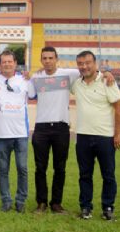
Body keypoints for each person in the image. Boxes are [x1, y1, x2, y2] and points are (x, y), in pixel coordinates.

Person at [28, 46, 114, 214]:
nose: (47, 61)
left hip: (61, 127)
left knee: (60, 167)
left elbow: (88, 70)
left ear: (56, 59)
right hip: (41, 128)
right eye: (44, 58)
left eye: (50, 58)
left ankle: (56, 203)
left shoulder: (69, 74)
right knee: (40, 167)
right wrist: (26, 76)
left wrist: (106, 72)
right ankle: (41, 203)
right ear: (41, 60)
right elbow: (30, 94)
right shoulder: (36, 77)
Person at [71, 51, 120, 221]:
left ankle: (108, 207)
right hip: (83, 137)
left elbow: (119, 107)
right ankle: (86, 207)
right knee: (84, 174)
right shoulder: (76, 83)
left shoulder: (107, 81)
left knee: (108, 174)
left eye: (87, 63)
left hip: (105, 137)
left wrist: (118, 134)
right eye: (80, 63)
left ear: (95, 63)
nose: (84, 66)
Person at [0, 50, 29, 213]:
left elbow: (36, 92)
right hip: (1, 134)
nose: (7, 64)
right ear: (0, 64)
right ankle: (6, 200)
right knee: (3, 170)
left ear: (15, 63)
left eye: (9, 61)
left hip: (21, 134)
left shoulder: (25, 80)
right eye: (4, 62)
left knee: (22, 168)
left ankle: (21, 200)